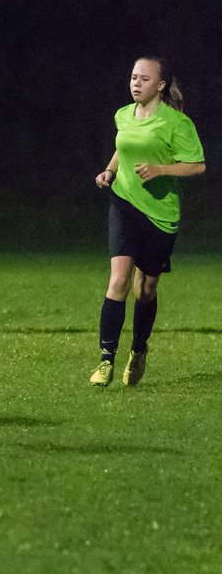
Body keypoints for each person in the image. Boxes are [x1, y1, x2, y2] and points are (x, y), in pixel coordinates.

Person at [89, 57, 205, 387]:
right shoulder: (124, 115)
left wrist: (161, 170)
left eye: (144, 78)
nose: (135, 83)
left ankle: (138, 351)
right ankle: (106, 361)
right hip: (123, 203)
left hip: (160, 214)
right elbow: (122, 146)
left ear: (161, 86)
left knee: (147, 289)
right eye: (133, 77)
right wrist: (110, 171)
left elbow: (197, 166)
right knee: (119, 280)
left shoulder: (177, 123)